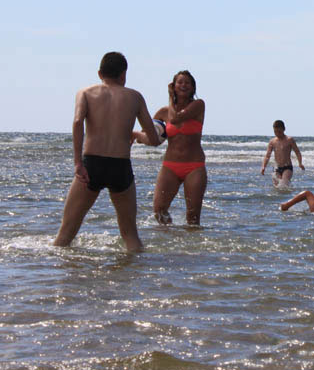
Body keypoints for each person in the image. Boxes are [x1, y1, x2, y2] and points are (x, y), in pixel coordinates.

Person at [54, 52, 160, 251]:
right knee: (130, 235)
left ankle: (56, 278)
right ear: (124, 75)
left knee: (66, 232)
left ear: (100, 73)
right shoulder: (135, 97)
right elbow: (153, 140)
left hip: (92, 164)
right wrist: (136, 135)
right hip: (120, 166)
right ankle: (137, 277)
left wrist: (78, 163)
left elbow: (78, 122)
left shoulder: (85, 92)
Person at [133, 70, 206, 225]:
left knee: (193, 218)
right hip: (170, 166)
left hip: (194, 167)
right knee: (159, 210)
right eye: (180, 82)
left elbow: (174, 118)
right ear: (174, 85)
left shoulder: (198, 105)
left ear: (193, 88)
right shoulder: (163, 113)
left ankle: (191, 247)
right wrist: (136, 136)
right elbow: (154, 139)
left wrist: (169, 96)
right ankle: (169, 243)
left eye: (187, 82)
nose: (183, 85)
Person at [261, 120, 305, 187]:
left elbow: (297, 152)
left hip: (287, 167)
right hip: (276, 168)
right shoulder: (272, 141)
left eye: (279, 132)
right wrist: (264, 167)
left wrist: (300, 163)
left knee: (284, 184)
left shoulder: (289, 140)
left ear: (284, 129)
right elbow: (267, 156)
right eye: (275, 132)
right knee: (277, 187)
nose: (277, 134)